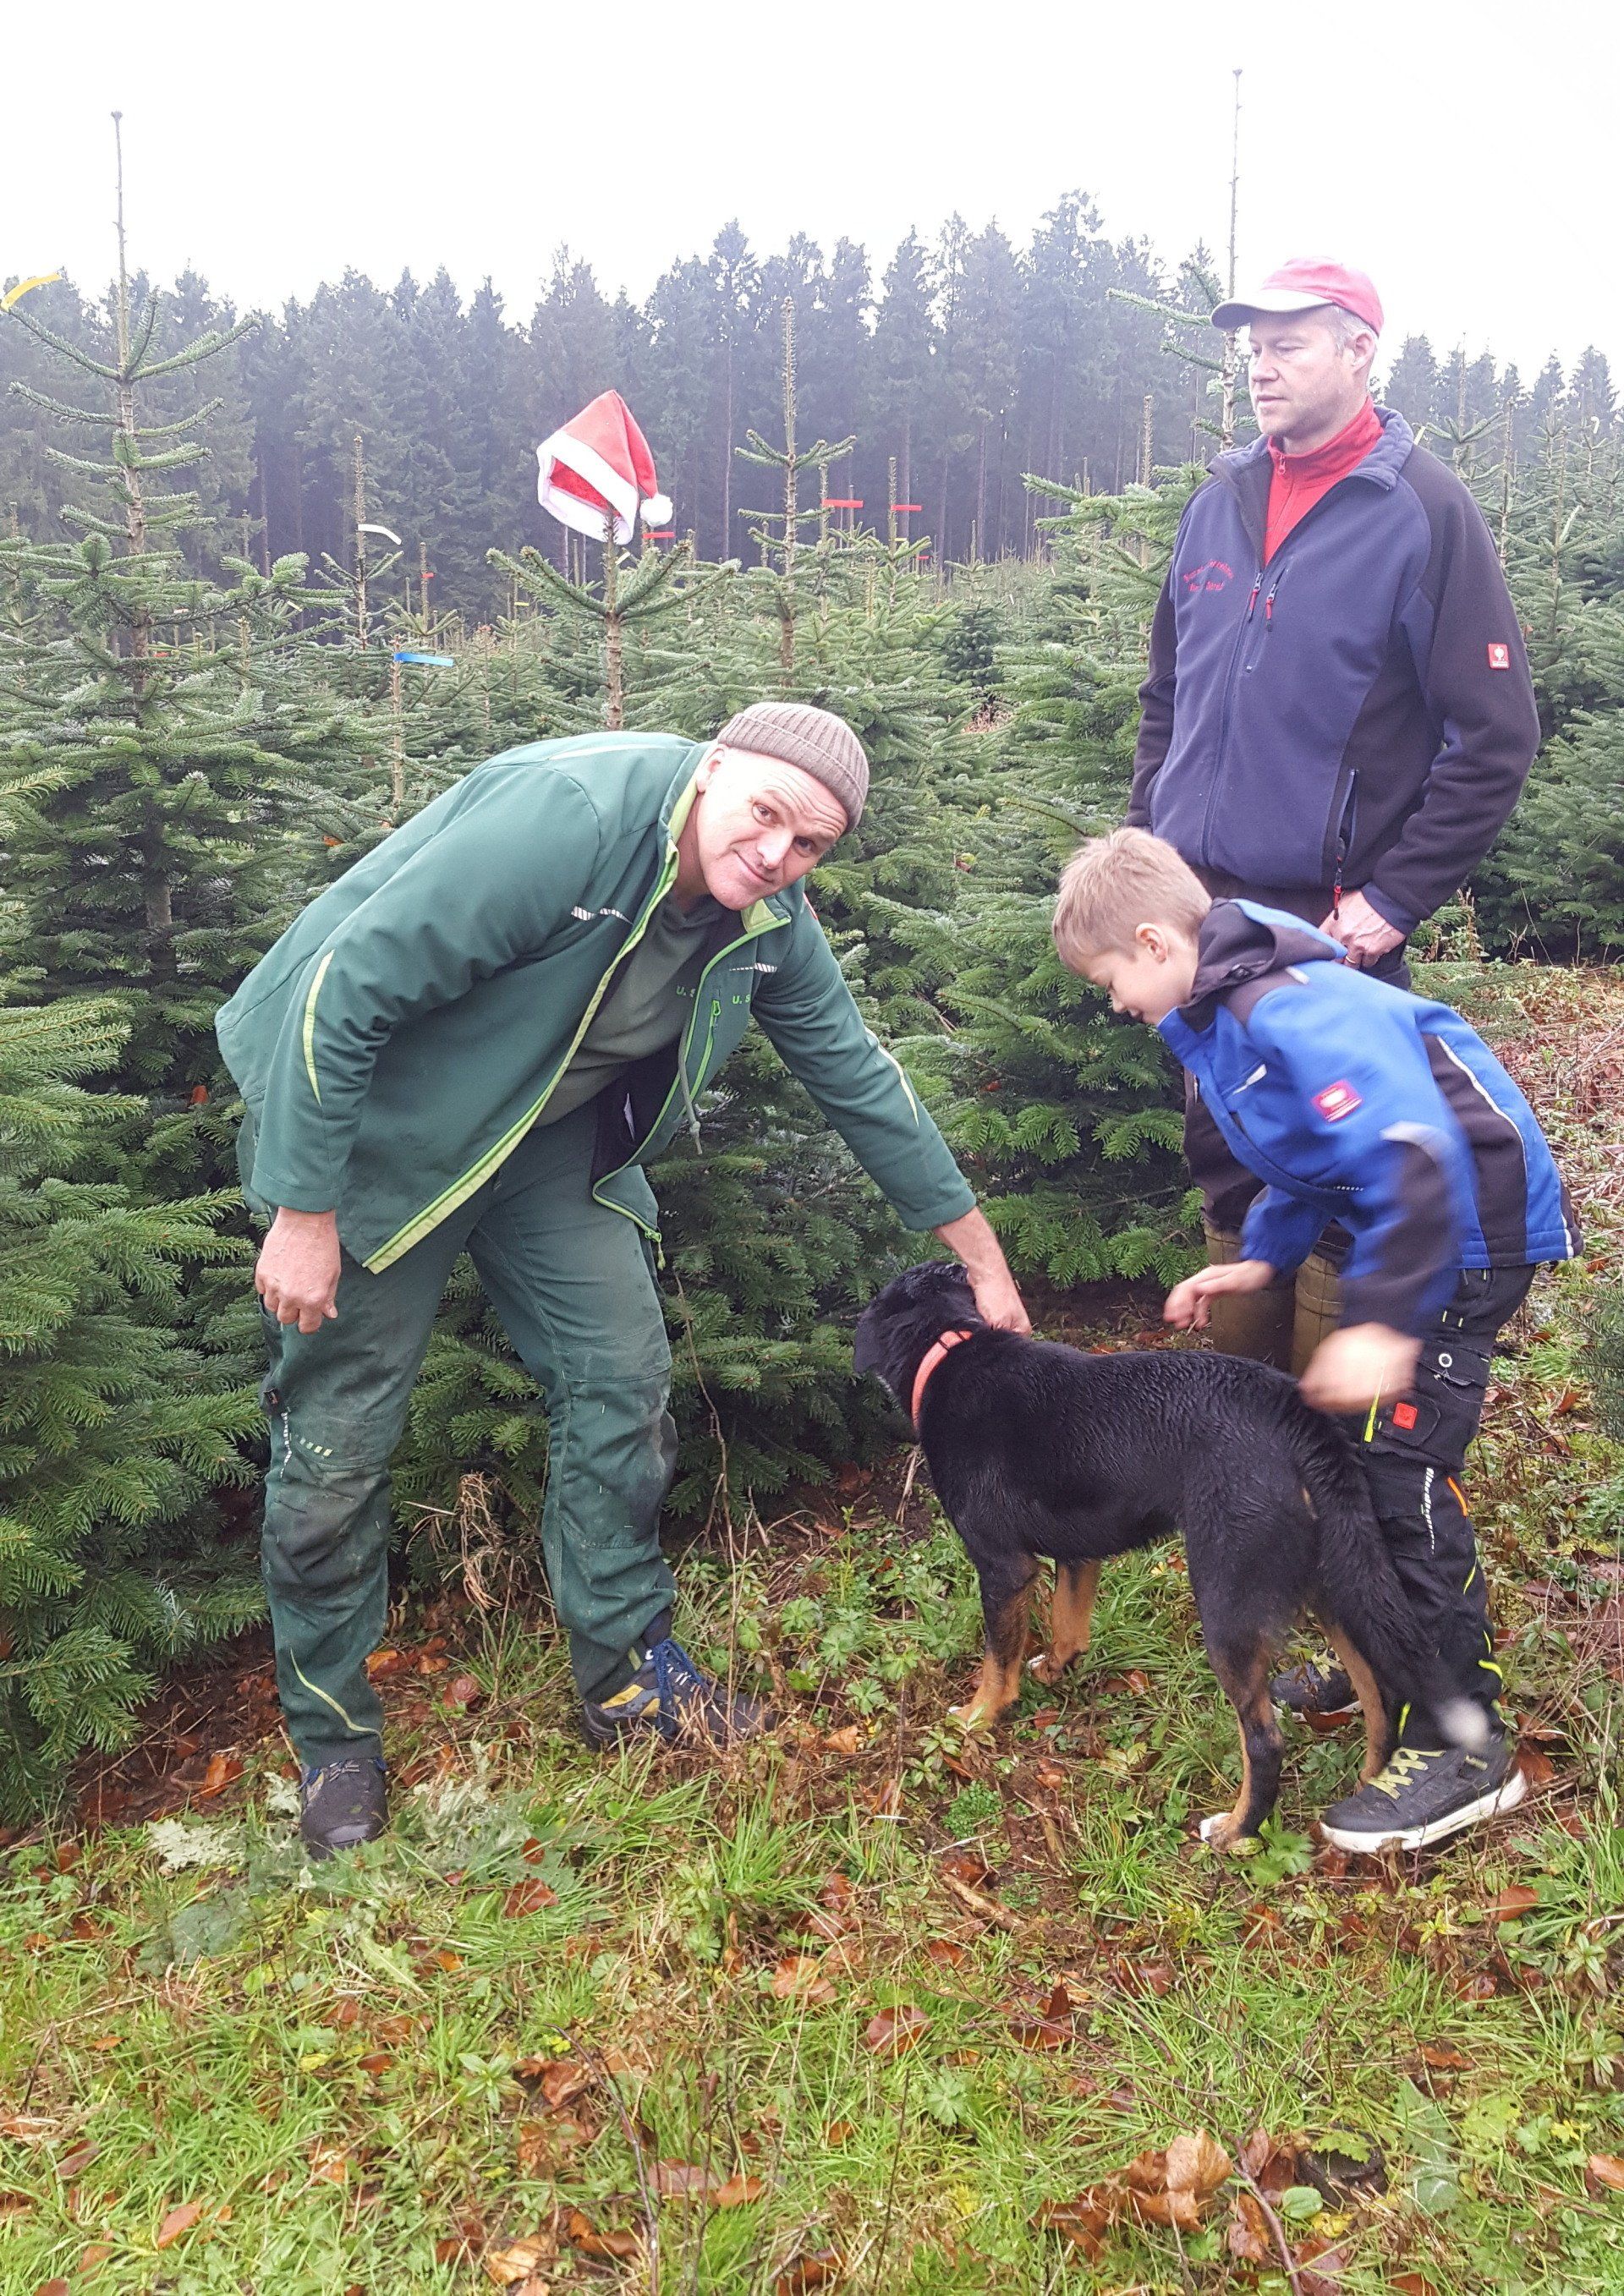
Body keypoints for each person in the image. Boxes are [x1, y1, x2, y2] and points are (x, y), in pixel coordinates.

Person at [217, 704, 1028, 1855]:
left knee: (620, 1375)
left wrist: (983, 1263)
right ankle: (336, 1739)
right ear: (712, 769)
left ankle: (626, 1676)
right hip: (376, 1137)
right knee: (339, 1433)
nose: (777, 855)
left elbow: (858, 1077)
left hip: (544, 1142)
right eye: (766, 814)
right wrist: (308, 1208)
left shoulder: (764, 919)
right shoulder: (570, 817)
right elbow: (344, 986)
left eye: (812, 845)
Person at [1052, 826, 1578, 1854]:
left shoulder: (1288, 1006)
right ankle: (1382, 1650)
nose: (1114, 1002)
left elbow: (1411, 1157)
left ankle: (1465, 1743)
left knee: (1401, 1472)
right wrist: (1259, 1258)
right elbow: (1310, 1162)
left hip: (1463, 1241)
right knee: (1357, 1454)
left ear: (1157, 943)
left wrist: (1381, 1323)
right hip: (1412, 1231)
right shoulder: (1224, 1014)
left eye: (1110, 977)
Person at [1127, 257, 1540, 1374]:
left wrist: (1392, 899)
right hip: (1201, 898)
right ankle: (1244, 1438)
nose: (1261, 364)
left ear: (1361, 349)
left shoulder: (1423, 510)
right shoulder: (1220, 502)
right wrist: (1143, 859)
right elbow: (1166, 697)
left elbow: (1496, 734)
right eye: (1252, 345)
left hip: (1326, 915)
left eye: (1290, 342)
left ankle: (1342, 1445)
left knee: (1346, 1153)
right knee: (1229, 1145)